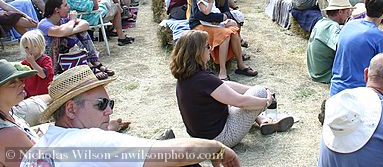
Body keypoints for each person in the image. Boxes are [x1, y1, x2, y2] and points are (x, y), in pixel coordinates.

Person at [21, 65, 241, 167]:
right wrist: (219, 149)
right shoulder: (90, 141)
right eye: (101, 104)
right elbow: (181, 152)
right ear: (71, 110)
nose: (109, 111)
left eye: (110, 103)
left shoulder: (36, 151)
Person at [171, 30, 293, 148]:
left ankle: (262, 121)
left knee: (242, 95)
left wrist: (250, 88)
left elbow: (223, 85)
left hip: (199, 138)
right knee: (258, 93)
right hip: (220, 139)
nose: (211, 49)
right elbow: (240, 102)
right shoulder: (204, 79)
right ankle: (265, 119)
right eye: (208, 46)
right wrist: (266, 101)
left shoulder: (187, 76)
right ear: (197, 52)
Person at [189, 0, 254, 80]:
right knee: (225, 34)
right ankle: (222, 71)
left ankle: (240, 64)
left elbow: (227, 12)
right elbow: (197, 15)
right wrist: (219, 17)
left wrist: (224, 18)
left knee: (233, 31)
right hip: (200, 24)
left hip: (215, 23)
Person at [38, 0, 113, 79]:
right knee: (68, 35)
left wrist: (71, 29)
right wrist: (72, 21)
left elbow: (85, 24)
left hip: (65, 54)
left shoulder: (64, 20)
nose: (68, 7)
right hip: (51, 59)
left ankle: (94, 62)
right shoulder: (43, 24)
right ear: (57, 10)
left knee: (81, 32)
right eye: (65, 5)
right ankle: (88, 65)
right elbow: (61, 32)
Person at [0, 60, 40, 167]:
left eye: (20, 80)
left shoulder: (9, 116)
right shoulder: (6, 134)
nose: (22, 84)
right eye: (13, 83)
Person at [307, 0, 353, 84]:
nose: (349, 15)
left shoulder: (322, 22)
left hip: (315, 71)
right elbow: (343, 47)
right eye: (347, 12)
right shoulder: (331, 26)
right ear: (340, 12)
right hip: (324, 75)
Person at [19, 31, 53, 97]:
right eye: (26, 47)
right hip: (29, 96)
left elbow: (43, 75)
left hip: (44, 95)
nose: (30, 50)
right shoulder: (24, 63)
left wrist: (32, 62)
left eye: (34, 46)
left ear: (41, 45)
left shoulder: (45, 60)